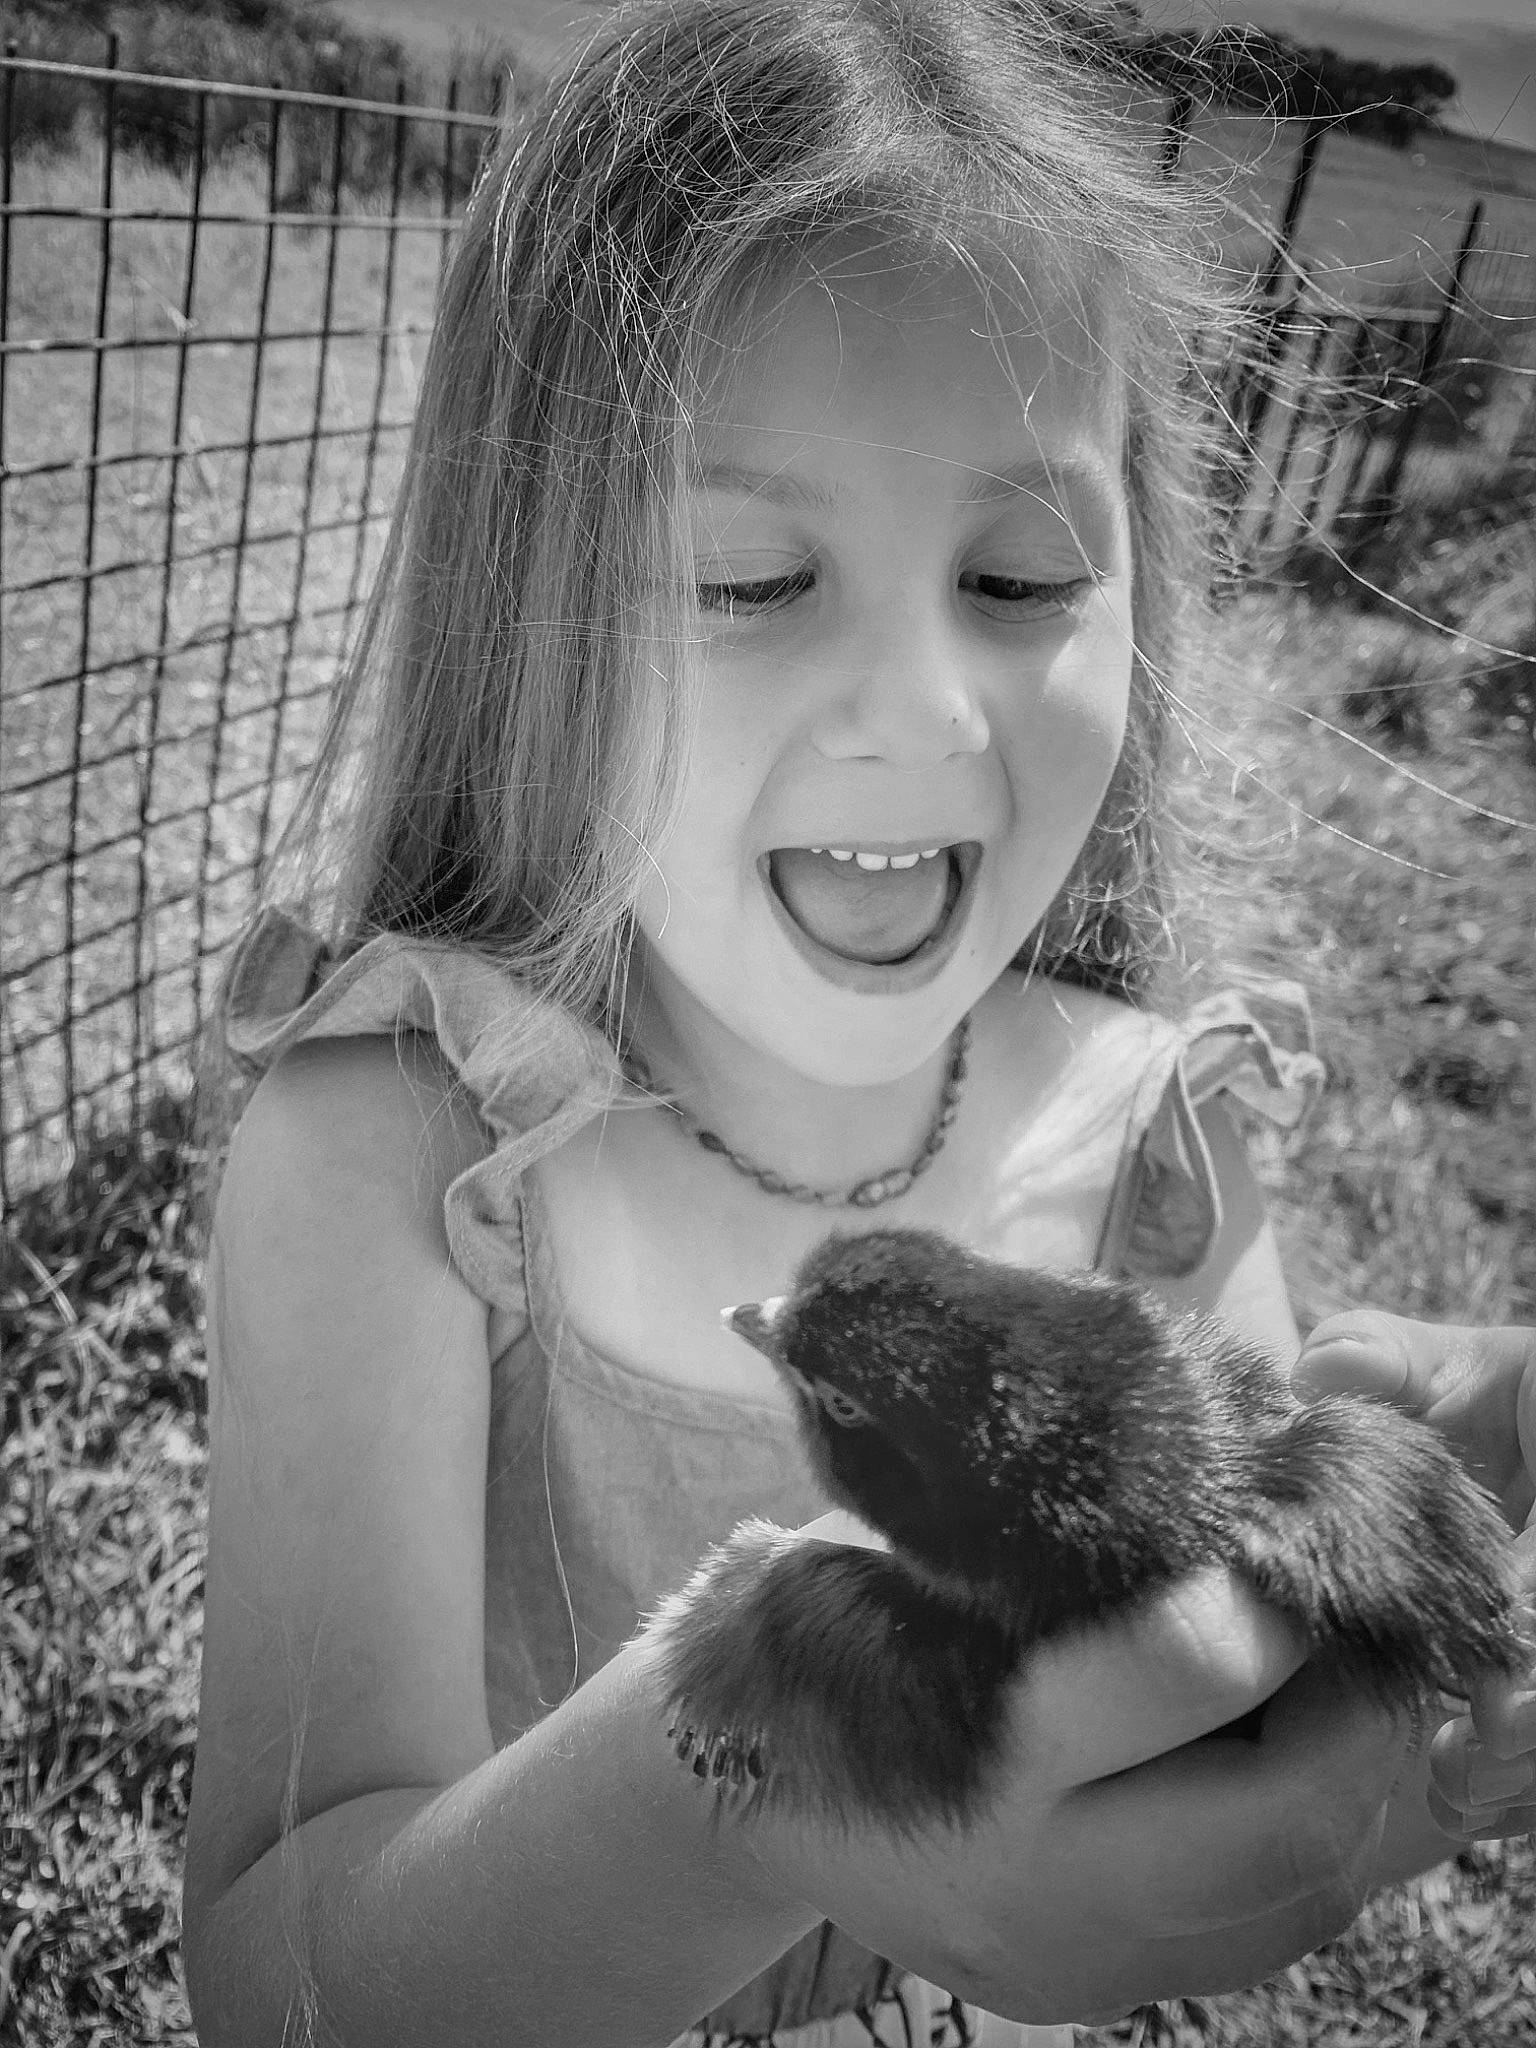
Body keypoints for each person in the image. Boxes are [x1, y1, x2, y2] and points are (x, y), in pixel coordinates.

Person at [181, 2, 1530, 2041]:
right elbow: (278, 1986)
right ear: (516, 595)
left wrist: (1372, 1626)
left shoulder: (1161, 1145)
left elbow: (1255, 1735)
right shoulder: (396, 1162)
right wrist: (745, 1790)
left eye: (1017, 577)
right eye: (742, 578)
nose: (920, 715)